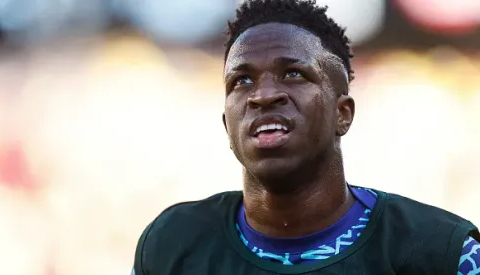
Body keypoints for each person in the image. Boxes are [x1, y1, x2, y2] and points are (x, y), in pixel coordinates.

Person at [131, 0, 480, 274]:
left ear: (342, 114)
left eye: (294, 73)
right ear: (227, 124)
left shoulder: (444, 252)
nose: (263, 95)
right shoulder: (170, 245)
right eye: (242, 80)